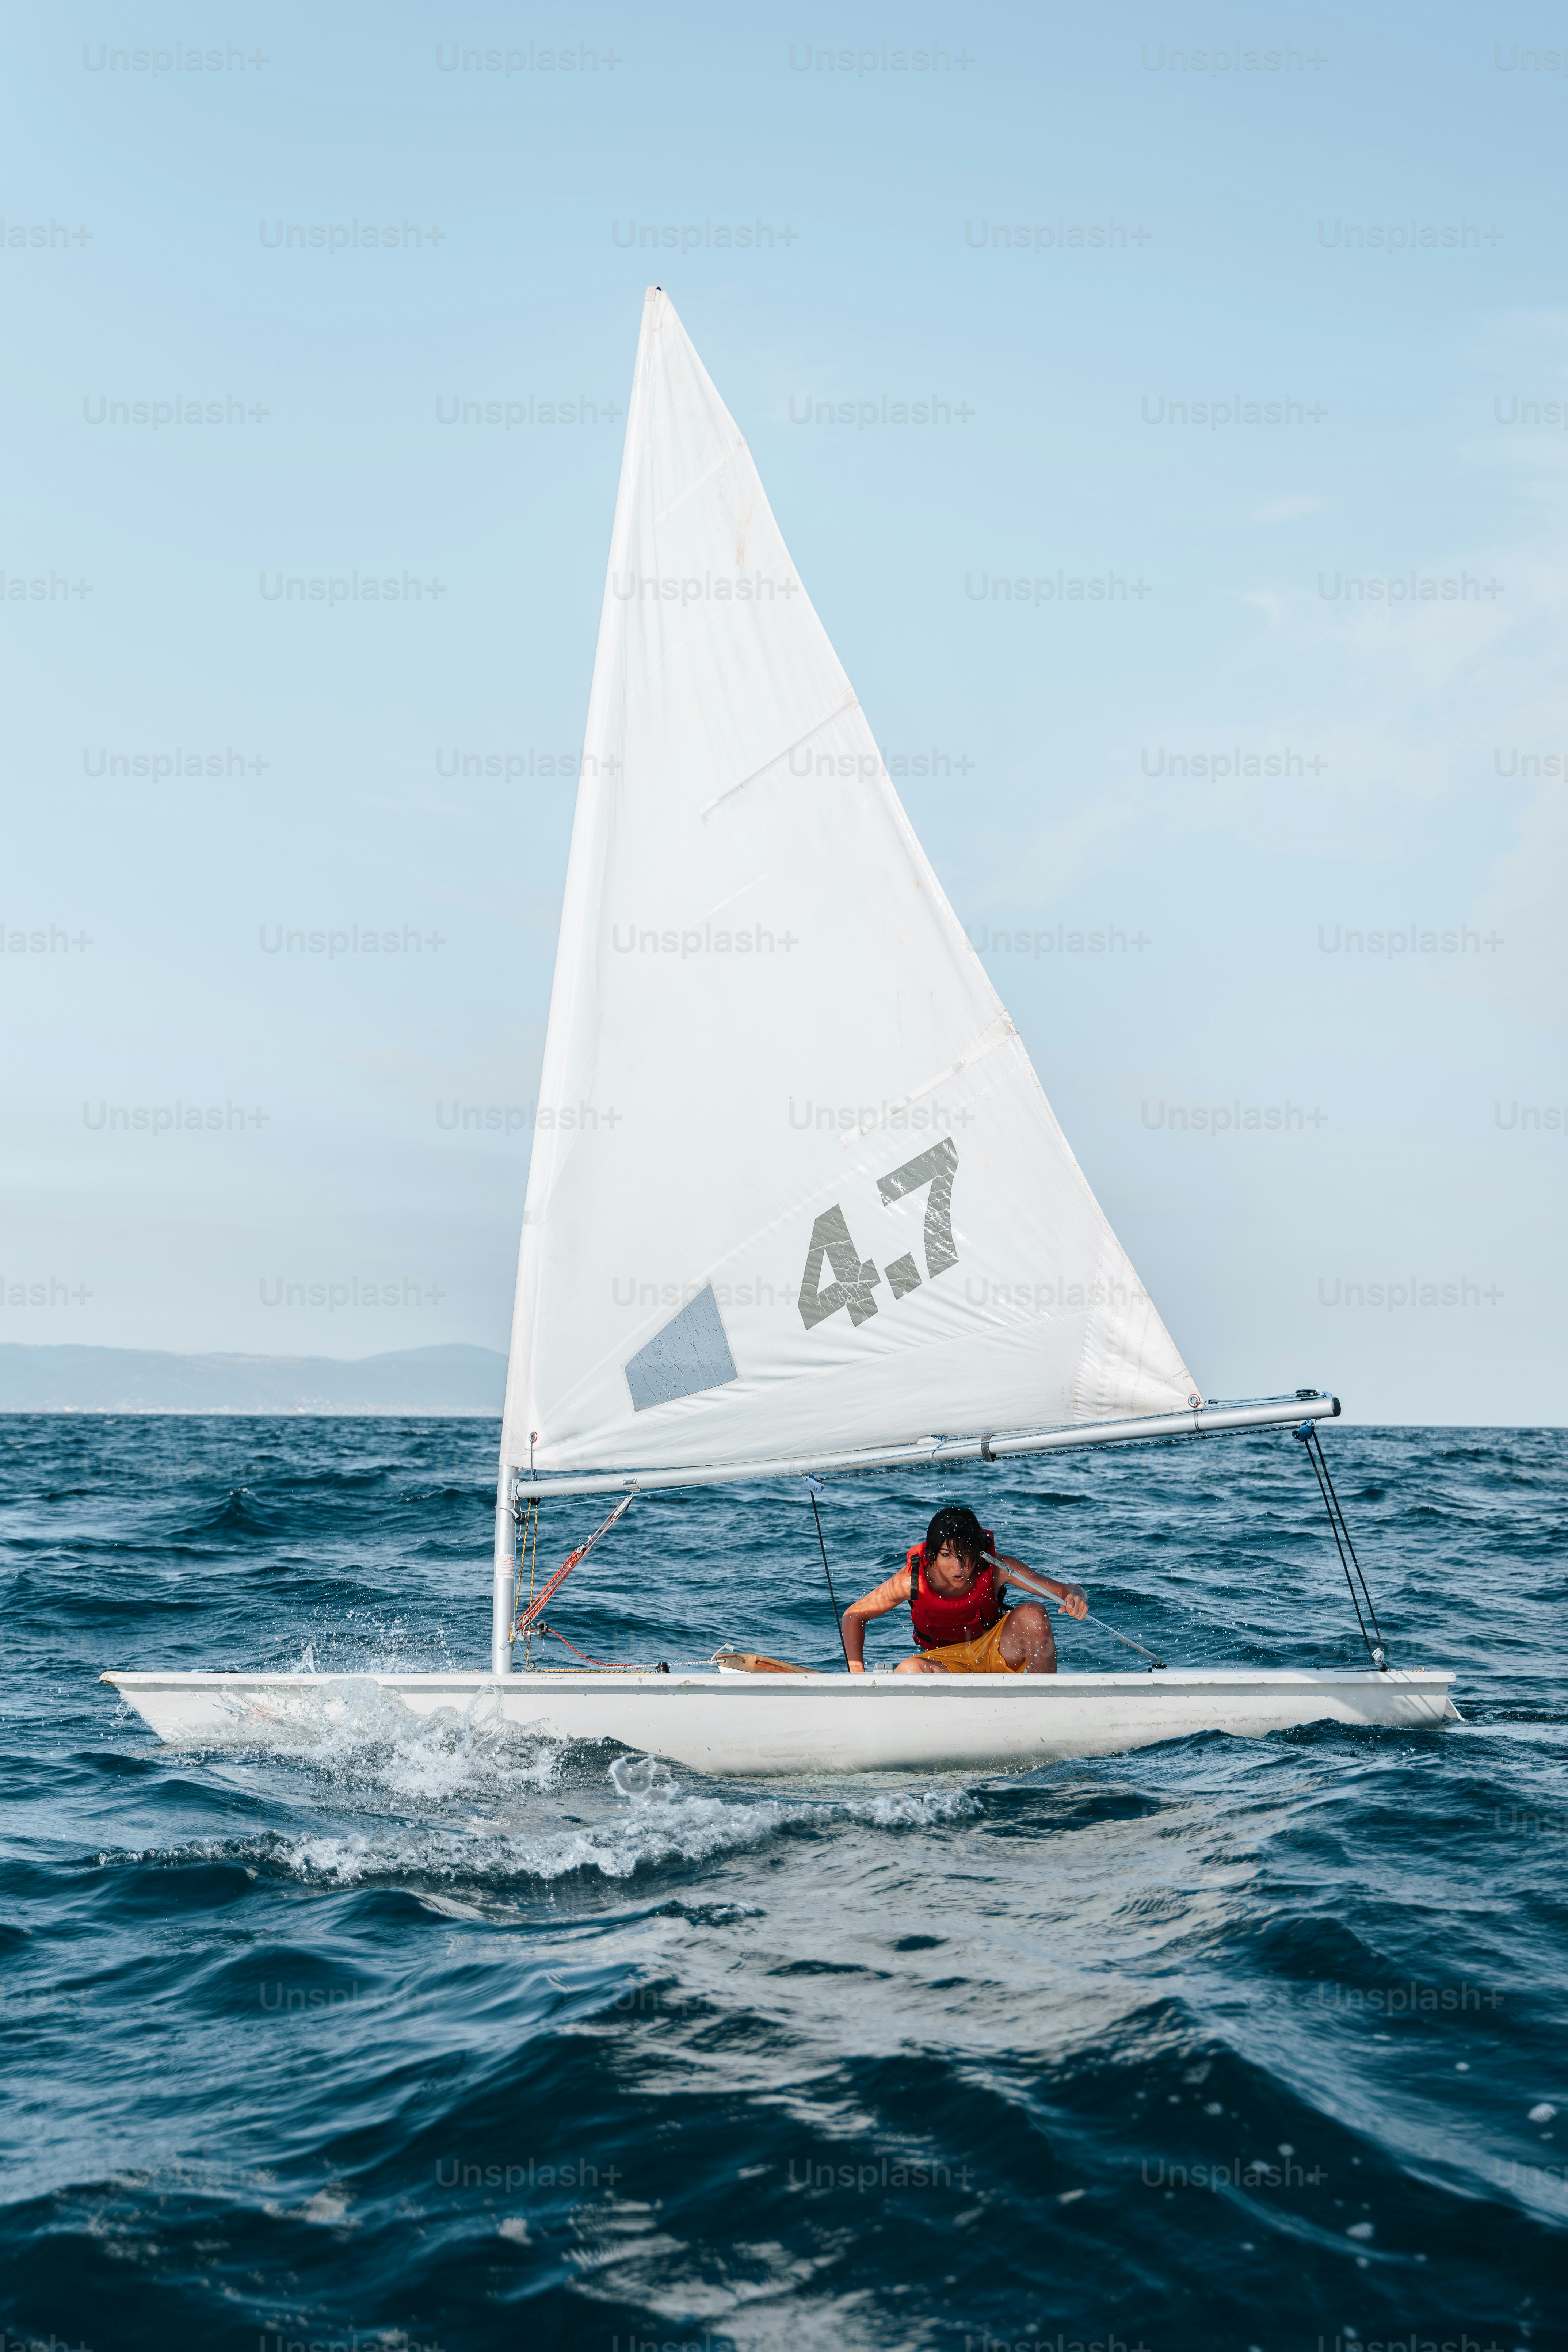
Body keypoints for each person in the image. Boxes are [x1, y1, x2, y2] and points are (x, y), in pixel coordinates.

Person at [840, 1504, 1088, 1675]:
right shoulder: (910, 1582)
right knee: (908, 1671)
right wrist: (857, 1677)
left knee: (1035, 1613)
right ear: (932, 1555)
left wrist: (1076, 1597)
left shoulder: (998, 1568)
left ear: (978, 1553)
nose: (958, 1567)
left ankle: (1044, 1703)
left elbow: (1066, 1590)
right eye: (947, 1555)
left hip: (996, 1650)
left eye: (965, 1555)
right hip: (944, 1661)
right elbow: (853, 1615)